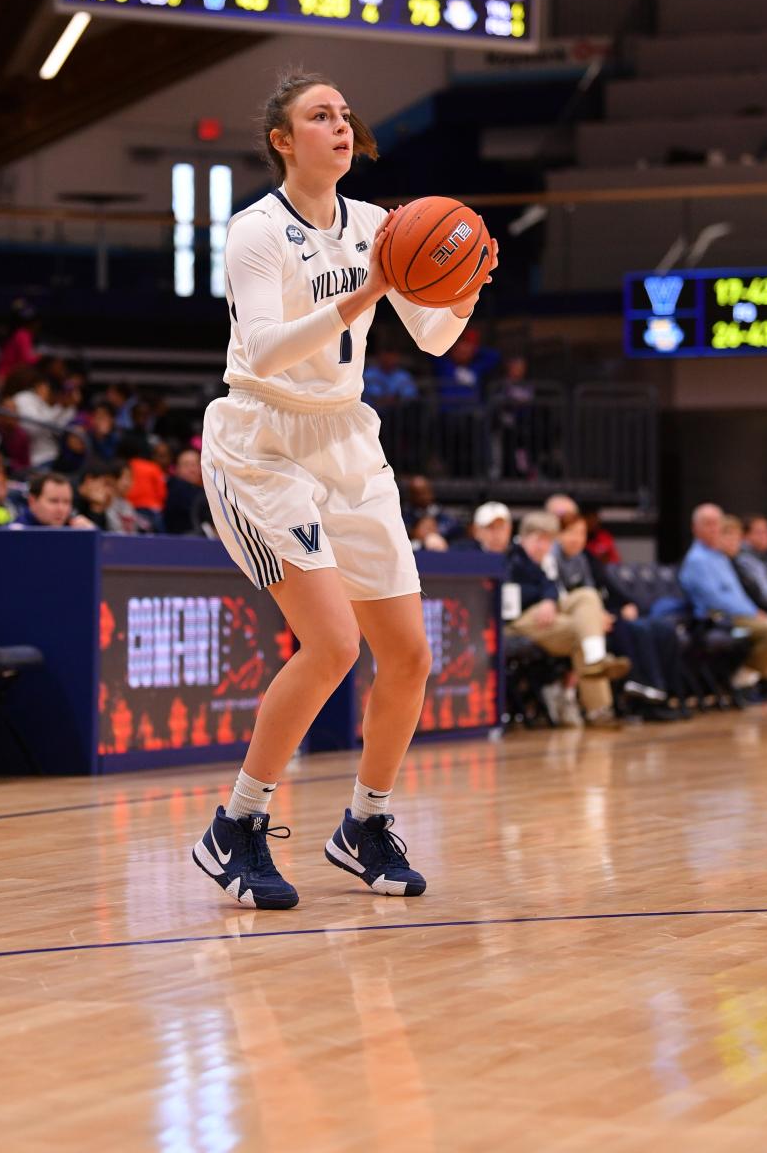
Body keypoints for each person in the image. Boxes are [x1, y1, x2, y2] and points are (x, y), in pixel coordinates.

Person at [192, 71, 496, 911]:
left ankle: (364, 823)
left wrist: (466, 279)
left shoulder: (378, 226)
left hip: (345, 438)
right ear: (283, 140)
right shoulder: (255, 232)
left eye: (342, 114)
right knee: (331, 646)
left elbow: (434, 338)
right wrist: (368, 289)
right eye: (317, 115)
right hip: (263, 439)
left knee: (408, 653)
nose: (337, 124)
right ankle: (237, 822)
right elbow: (260, 351)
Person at [507, 511, 630, 728]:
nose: (542, 546)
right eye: (538, 539)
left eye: (547, 541)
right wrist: (545, 599)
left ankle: (595, 658)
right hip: (518, 620)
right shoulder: (512, 558)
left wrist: (548, 599)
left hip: (546, 616)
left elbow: (552, 589)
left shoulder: (545, 561)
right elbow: (518, 596)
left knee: (587, 596)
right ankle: (599, 706)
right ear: (523, 537)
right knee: (584, 628)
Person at [556, 511, 680, 719]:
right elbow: (562, 597)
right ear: (557, 534)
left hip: (597, 615)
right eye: (571, 533)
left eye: (582, 533)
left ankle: (663, 690)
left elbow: (602, 589)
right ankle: (638, 683)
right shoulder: (553, 559)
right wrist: (598, 616)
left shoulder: (583, 559)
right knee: (631, 627)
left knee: (659, 628)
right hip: (575, 620)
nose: (577, 539)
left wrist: (625, 604)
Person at [679, 504, 767, 687]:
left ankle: (757, 680)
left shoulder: (719, 557)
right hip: (720, 619)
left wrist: (753, 610)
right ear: (694, 528)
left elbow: (738, 594)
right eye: (708, 524)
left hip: (743, 614)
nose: (714, 529)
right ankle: (744, 681)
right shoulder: (697, 560)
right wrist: (752, 612)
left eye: (717, 524)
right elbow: (716, 600)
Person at [13, 471, 96, 530]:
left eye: (66, 502)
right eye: (53, 501)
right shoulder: (15, 534)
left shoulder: (76, 529)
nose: (61, 509)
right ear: (32, 501)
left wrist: (92, 535)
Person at [163, 446, 203, 535]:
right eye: (186, 465)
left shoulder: (205, 491)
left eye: (195, 465)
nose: (192, 470)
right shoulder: (175, 488)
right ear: (177, 469)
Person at [73, 461, 113, 531]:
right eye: (106, 484)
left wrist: (97, 508)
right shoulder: (68, 496)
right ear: (89, 480)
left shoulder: (94, 502)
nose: (108, 491)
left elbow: (99, 536)